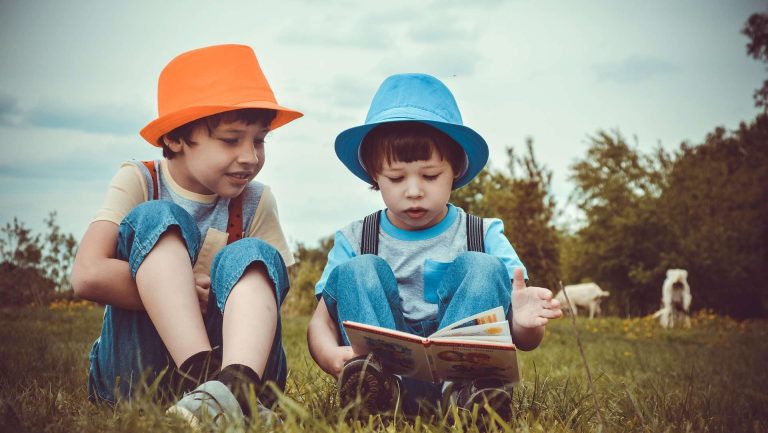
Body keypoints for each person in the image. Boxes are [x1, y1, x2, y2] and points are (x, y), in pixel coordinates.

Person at [307, 73, 563, 421]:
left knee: (483, 266)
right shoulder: (355, 238)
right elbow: (320, 322)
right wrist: (328, 356)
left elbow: (525, 338)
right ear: (374, 174)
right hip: (384, 374)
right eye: (396, 178)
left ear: (455, 169)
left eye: (430, 176)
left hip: (463, 376)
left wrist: (526, 323)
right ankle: (375, 395)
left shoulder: (483, 233)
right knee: (358, 269)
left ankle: (470, 399)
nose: (414, 191)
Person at [71, 44, 302, 426]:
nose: (250, 156)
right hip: (137, 374)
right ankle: (207, 382)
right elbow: (88, 274)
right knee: (158, 217)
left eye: (259, 140)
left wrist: (230, 290)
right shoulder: (141, 180)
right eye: (231, 140)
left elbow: (274, 286)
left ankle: (236, 386)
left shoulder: (257, 200)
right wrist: (178, 292)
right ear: (176, 138)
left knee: (253, 254)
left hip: (237, 358)